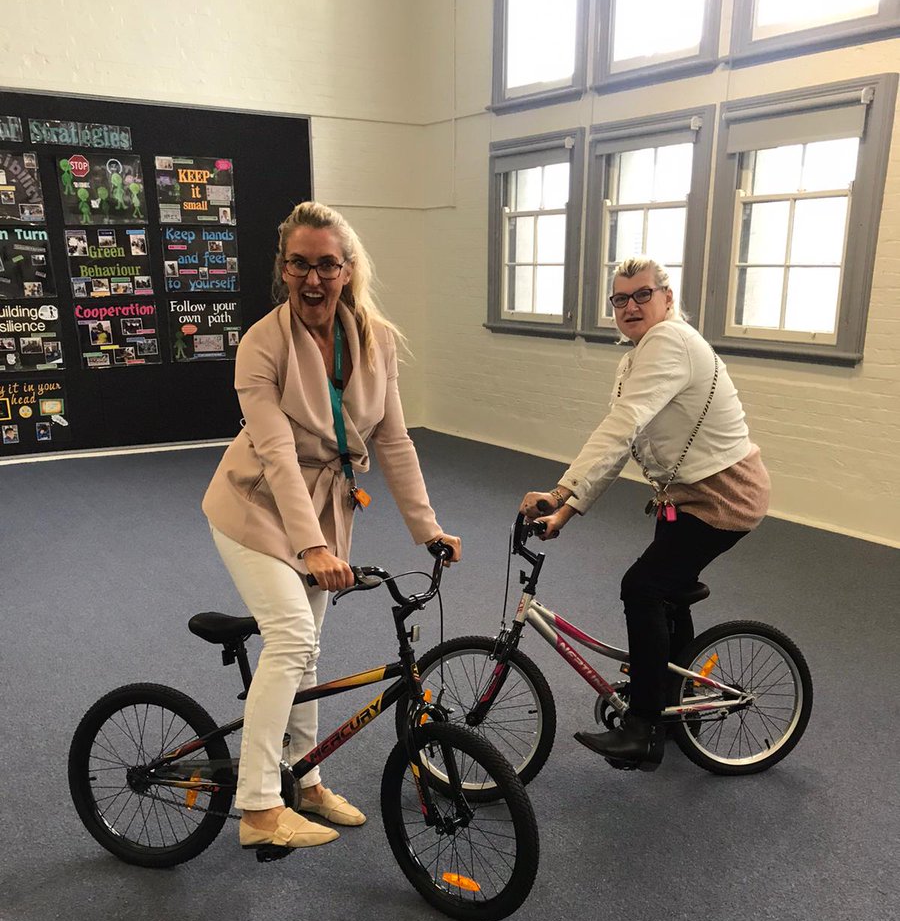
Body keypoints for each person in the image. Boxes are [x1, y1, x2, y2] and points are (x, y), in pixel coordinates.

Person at [203, 200, 461, 851]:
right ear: (282, 268)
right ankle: (260, 806)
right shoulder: (262, 344)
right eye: (299, 265)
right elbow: (276, 454)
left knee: (309, 651)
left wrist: (426, 527)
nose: (312, 279)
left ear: (347, 270)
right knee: (292, 636)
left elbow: (394, 440)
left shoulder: (375, 340)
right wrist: (312, 547)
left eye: (326, 265)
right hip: (254, 506)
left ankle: (307, 779)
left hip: (324, 508)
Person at [520, 257, 769, 769]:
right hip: (683, 496)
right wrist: (566, 512)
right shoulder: (636, 357)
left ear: (667, 298)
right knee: (666, 594)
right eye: (620, 298)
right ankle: (677, 708)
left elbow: (622, 425)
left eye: (642, 294)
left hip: (724, 496)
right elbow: (621, 445)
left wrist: (560, 490)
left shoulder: (669, 341)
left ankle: (644, 728)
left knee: (643, 587)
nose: (630, 306)